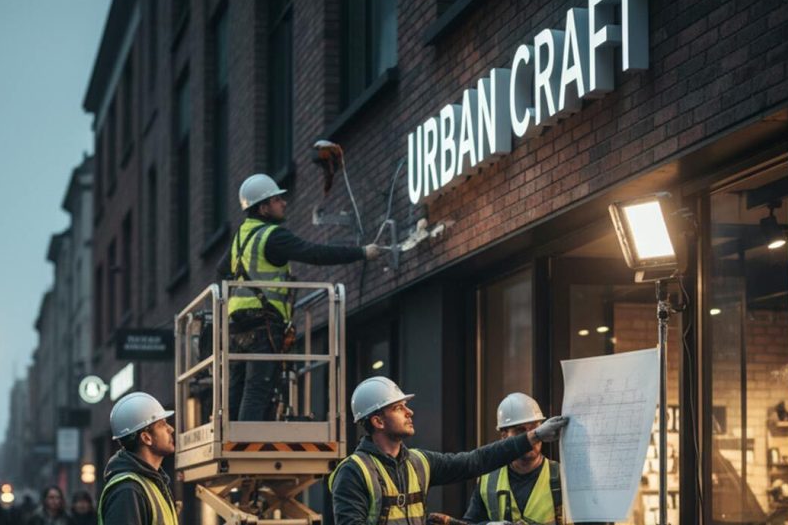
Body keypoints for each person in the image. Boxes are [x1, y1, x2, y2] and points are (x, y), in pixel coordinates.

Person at [217, 173, 381, 421]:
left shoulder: (241, 236)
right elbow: (314, 253)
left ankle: (230, 442)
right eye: (276, 200)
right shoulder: (272, 235)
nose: (283, 203)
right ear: (263, 207)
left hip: (237, 325)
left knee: (238, 388)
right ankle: (243, 450)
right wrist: (361, 252)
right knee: (258, 389)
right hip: (263, 322)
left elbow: (221, 269)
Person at [329, 377, 569, 525]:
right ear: (378, 422)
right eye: (399, 408)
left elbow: (476, 461)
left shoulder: (418, 463)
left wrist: (535, 436)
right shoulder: (354, 472)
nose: (409, 412)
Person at [460, 392, 564, 525]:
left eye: (534, 429)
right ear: (504, 436)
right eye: (520, 430)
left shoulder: (560, 477)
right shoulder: (489, 480)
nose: (530, 436)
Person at [98, 391, 179, 525]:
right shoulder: (128, 491)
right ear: (146, 438)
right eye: (162, 424)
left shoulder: (152, 483)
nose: (170, 429)